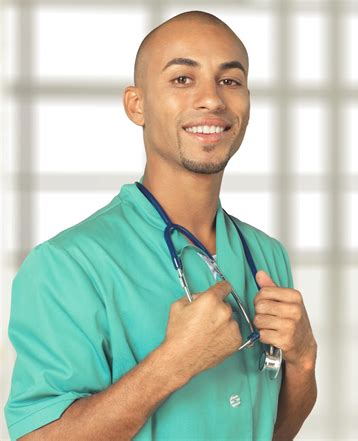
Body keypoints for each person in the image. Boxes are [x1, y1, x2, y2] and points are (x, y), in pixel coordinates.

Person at [4, 10, 318, 441]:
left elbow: (273, 432)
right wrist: (173, 363)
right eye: (182, 79)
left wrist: (303, 359)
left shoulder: (266, 256)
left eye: (229, 80)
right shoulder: (66, 266)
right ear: (137, 105)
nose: (212, 100)